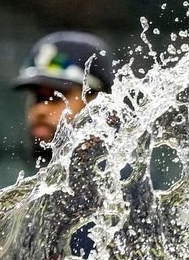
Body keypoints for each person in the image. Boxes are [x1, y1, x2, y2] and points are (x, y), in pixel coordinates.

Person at [12, 31, 116, 166]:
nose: (40, 109)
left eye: (57, 96)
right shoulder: (27, 177)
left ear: (97, 102)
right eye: (38, 97)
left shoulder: (129, 182)